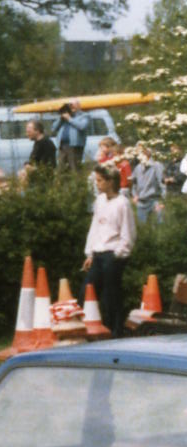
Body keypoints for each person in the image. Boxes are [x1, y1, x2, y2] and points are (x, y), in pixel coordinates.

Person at [83, 163, 136, 336]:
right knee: (87, 290)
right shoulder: (99, 201)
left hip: (113, 254)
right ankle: (92, 329)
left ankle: (115, 331)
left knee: (111, 296)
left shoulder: (123, 204)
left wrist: (119, 253)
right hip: (98, 253)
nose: (97, 184)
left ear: (110, 181)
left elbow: (128, 232)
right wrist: (90, 252)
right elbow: (95, 228)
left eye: (100, 180)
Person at [131, 146, 165, 225]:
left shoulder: (156, 166)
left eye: (140, 155)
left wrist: (161, 201)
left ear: (146, 155)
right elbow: (134, 183)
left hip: (154, 200)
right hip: (141, 202)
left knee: (157, 226)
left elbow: (162, 183)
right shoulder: (138, 168)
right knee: (142, 227)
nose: (138, 157)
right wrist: (135, 195)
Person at [54, 102, 88, 170]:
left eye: (72, 106)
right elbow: (54, 128)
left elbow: (82, 126)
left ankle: (76, 180)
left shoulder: (84, 116)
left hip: (74, 146)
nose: (71, 108)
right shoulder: (63, 118)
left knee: (74, 168)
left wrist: (69, 119)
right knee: (61, 169)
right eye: (70, 106)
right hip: (62, 146)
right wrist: (61, 119)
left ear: (78, 106)